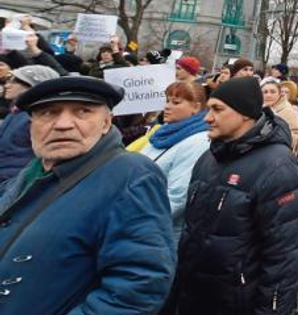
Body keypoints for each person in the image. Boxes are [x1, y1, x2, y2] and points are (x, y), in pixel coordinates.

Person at [0, 76, 176, 314]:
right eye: (48, 113)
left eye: (82, 111)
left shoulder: (131, 175)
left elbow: (138, 287)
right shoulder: (30, 174)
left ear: (106, 123)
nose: (63, 124)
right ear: (31, 125)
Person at [174, 77, 298, 315]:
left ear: (245, 113)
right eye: (208, 108)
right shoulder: (209, 157)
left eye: (217, 109)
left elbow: (283, 259)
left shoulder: (277, 167)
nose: (207, 118)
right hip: (195, 296)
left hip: (236, 303)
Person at [137, 81, 209, 243]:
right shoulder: (162, 133)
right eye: (167, 100)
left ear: (196, 108)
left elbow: (177, 197)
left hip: (157, 234)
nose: (167, 106)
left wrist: (136, 224)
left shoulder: (199, 141)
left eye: (176, 102)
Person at [0, 65, 61, 182]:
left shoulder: (37, 118)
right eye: (8, 81)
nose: (7, 85)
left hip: (16, 183)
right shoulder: (15, 113)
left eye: (15, 82)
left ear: (31, 86)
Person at [261, 78, 298, 157]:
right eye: (265, 92)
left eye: (273, 92)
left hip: (280, 157)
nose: (268, 95)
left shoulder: (289, 111)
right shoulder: (257, 110)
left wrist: (276, 134)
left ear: (279, 94)